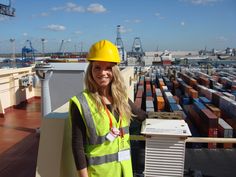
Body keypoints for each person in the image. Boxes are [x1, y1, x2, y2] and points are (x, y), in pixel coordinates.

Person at [69, 39, 146, 177]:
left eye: (108, 68)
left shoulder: (121, 98)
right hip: (100, 173)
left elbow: (141, 115)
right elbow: (77, 146)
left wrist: (170, 117)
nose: (103, 73)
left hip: (124, 170)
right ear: (90, 70)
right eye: (97, 67)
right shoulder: (81, 103)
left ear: (114, 71)